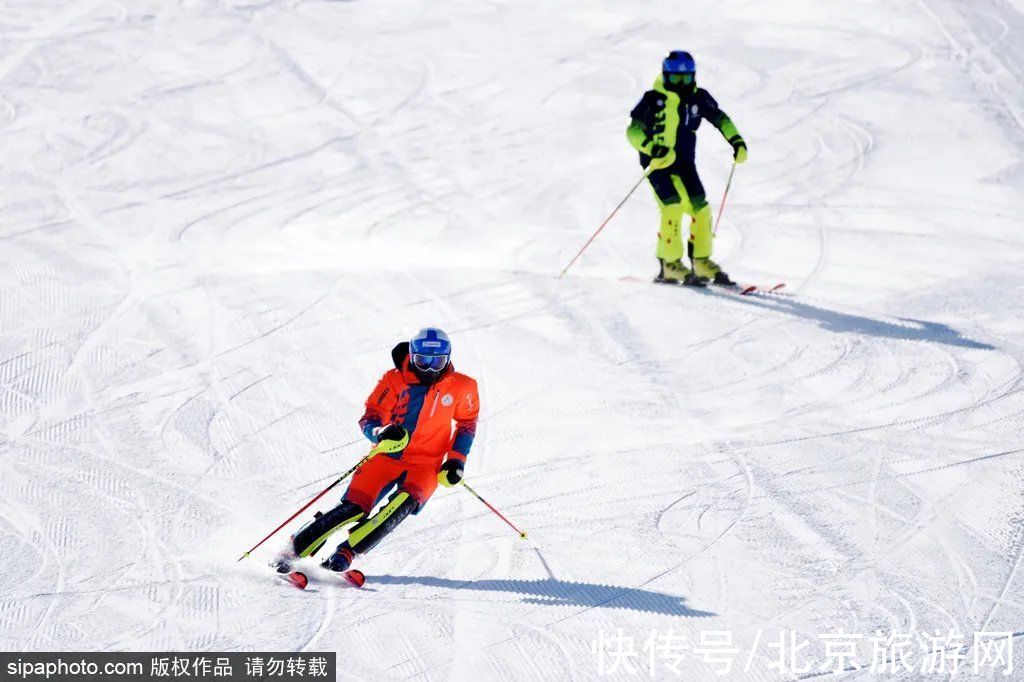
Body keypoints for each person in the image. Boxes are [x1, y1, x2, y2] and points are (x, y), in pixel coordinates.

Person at [274, 327, 479, 574]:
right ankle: (295, 548)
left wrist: (456, 460)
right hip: (386, 456)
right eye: (423, 361)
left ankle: (346, 553)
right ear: (413, 356)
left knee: (399, 509)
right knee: (353, 509)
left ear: (448, 358)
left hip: (427, 465)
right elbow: (370, 417)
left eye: (438, 362)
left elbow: (467, 423)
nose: (430, 369)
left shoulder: (463, 386)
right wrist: (380, 432)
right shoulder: (394, 379)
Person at [626, 50, 747, 286]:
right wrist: (651, 148)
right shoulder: (653, 99)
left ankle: (701, 261)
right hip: (658, 163)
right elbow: (633, 131)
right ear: (665, 75)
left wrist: (737, 141)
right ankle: (669, 265)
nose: (680, 84)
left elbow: (720, 118)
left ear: (693, 77)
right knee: (671, 206)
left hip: (685, 164)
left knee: (700, 210)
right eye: (675, 79)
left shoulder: (698, 98)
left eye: (686, 79)